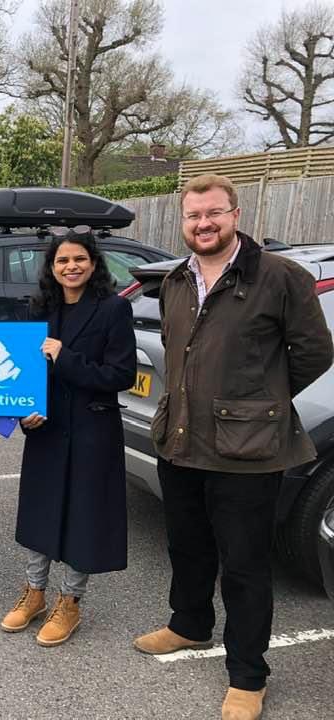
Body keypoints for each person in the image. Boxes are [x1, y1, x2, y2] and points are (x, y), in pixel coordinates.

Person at [133, 174, 333, 720]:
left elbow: (315, 352)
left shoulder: (279, 277)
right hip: (180, 442)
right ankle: (189, 625)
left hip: (248, 451)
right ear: (183, 221)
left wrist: (258, 400)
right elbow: (179, 354)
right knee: (187, 547)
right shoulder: (175, 280)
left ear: (236, 214)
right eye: (194, 216)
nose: (204, 224)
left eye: (214, 213)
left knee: (244, 565)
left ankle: (248, 674)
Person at [2, 229, 136, 646]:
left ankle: (70, 601)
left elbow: (121, 375)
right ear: (52, 268)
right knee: (40, 510)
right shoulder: (41, 308)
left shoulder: (113, 310)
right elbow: (24, 372)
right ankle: (35, 592)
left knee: (82, 516)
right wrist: (23, 415)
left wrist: (66, 357)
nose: (71, 267)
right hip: (47, 427)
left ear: (93, 264)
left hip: (92, 429)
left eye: (79, 259)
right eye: (62, 261)